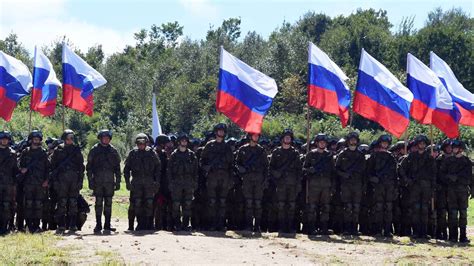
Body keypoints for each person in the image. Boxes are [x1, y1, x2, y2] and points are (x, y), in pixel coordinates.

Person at [399, 135, 436, 239]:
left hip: (426, 186)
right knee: (415, 209)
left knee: (425, 209)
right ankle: (415, 231)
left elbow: (434, 173)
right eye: (420, 143)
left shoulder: (429, 158)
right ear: (417, 144)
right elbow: (401, 168)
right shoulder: (411, 156)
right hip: (414, 186)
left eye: (424, 143)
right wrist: (407, 180)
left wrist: (433, 186)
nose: (422, 145)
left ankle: (423, 232)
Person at [199, 123, 234, 231]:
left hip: (224, 176)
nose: (221, 133)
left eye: (223, 131)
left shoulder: (227, 147)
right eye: (219, 131)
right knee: (212, 201)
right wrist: (207, 169)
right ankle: (212, 224)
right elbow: (202, 161)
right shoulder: (209, 145)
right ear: (216, 132)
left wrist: (231, 178)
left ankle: (221, 224)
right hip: (212, 176)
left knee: (222, 201)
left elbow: (231, 164)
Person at [124, 133, 161, 231]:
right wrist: (127, 182)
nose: (141, 145)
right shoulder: (133, 153)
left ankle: (149, 224)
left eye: (143, 143)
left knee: (149, 203)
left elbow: (158, 168)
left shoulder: (152, 153)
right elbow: (126, 169)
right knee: (137, 203)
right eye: (139, 143)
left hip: (149, 182)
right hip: (137, 182)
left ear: (146, 143)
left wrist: (157, 182)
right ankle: (139, 224)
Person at [87, 130, 121, 233]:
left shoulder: (113, 151)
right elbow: (89, 167)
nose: (105, 139)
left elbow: (117, 168)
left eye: (107, 138)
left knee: (108, 203)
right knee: (98, 203)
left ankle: (107, 224)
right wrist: (90, 180)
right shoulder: (94, 150)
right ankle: (98, 224)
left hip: (109, 181)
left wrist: (118, 181)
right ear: (100, 138)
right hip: (98, 181)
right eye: (104, 137)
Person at [50, 129, 85, 233]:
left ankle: (73, 225)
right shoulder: (58, 150)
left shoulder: (76, 150)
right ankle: (61, 225)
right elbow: (53, 167)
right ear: (64, 139)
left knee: (73, 202)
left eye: (72, 138)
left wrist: (80, 181)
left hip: (74, 180)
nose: (70, 140)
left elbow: (81, 167)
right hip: (61, 180)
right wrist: (55, 181)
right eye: (68, 138)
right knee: (62, 202)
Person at [269, 129, 302, 233]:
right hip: (280, 184)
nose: (287, 139)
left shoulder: (295, 153)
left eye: (289, 137)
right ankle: (282, 226)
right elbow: (271, 168)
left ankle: (290, 226)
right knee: (281, 205)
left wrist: (298, 183)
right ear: (282, 139)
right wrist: (276, 177)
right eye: (286, 137)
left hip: (292, 183)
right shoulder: (276, 152)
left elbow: (299, 170)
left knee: (292, 205)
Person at [439, 140, 473, 243]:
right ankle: (453, 236)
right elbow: (441, 174)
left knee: (463, 214)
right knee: (452, 214)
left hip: (463, 190)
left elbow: (471, 177)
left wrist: (472, 189)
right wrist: (450, 178)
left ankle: (463, 236)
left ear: (461, 149)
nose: (453, 149)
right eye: (453, 148)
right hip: (452, 190)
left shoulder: (466, 161)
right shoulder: (448, 161)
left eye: (456, 148)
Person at [235, 133, 268, 232]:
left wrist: (264, 180)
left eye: (258, 136)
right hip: (247, 179)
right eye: (254, 136)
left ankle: (257, 226)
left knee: (258, 204)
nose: (256, 137)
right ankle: (248, 225)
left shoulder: (261, 151)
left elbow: (266, 167)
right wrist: (242, 172)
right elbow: (237, 164)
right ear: (250, 137)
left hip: (258, 180)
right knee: (248, 203)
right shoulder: (243, 150)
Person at [303, 133, 335, 235]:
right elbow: (304, 169)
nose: (322, 144)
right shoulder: (311, 154)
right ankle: (311, 228)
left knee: (325, 207)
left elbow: (333, 171)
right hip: (314, 185)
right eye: (320, 142)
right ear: (317, 143)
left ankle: (324, 228)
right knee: (312, 207)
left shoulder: (329, 155)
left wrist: (332, 186)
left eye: (324, 142)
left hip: (326, 185)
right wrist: (309, 170)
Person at [366, 134, 398, 237]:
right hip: (378, 186)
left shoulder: (391, 157)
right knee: (378, 207)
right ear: (380, 143)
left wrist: (395, 188)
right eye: (383, 143)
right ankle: (377, 230)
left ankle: (387, 230)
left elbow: (395, 173)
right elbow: (368, 172)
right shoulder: (374, 156)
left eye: (386, 143)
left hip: (389, 185)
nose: (385, 144)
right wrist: (372, 179)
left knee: (388, 208)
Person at [18, 130, 49, 233]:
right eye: (34, 139)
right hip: (28, 183)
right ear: (31, 140)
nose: (36, 141)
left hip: (40, 183)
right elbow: (19, 165)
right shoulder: (25, 152)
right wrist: (22, 169)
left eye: (38, 139)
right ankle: (29, 225)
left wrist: (46, 180)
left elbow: (48, 169)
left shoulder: (43, 153)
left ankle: (36, 225)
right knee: (28, 204)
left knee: (38, 204)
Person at [335, 132, 366, 235]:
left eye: (355, 140)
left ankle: (354, 228)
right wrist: (344, 175)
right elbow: (336, 169)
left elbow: (365, 170)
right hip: (346, 184)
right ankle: (347, 228)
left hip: (357, 184)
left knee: (356, 207)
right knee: (347, 207)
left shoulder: (361, 155)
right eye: (351, 140)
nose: (353, 141)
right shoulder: (342, 154)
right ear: (348, 141)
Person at [167, 133, 198, 231]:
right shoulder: (174, 155)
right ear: (179, 142)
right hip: (177, 183)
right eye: (182, 140)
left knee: (188, 205)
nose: (184, 142)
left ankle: (185, 224)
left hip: (188, 183)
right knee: (176, 205)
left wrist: (194, 183)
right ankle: (177, 224)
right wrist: (171, 183)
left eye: (185, 141)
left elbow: (196, 171)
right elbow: (169, 171)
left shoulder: (191, 155)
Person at [0, 131, 18, 234]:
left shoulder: (13, 153)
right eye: (2, 139)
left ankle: (5, 226)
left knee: (6, 205)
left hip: (8, 184)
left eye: (6, 139)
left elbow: (15, 169)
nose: (4, 141)